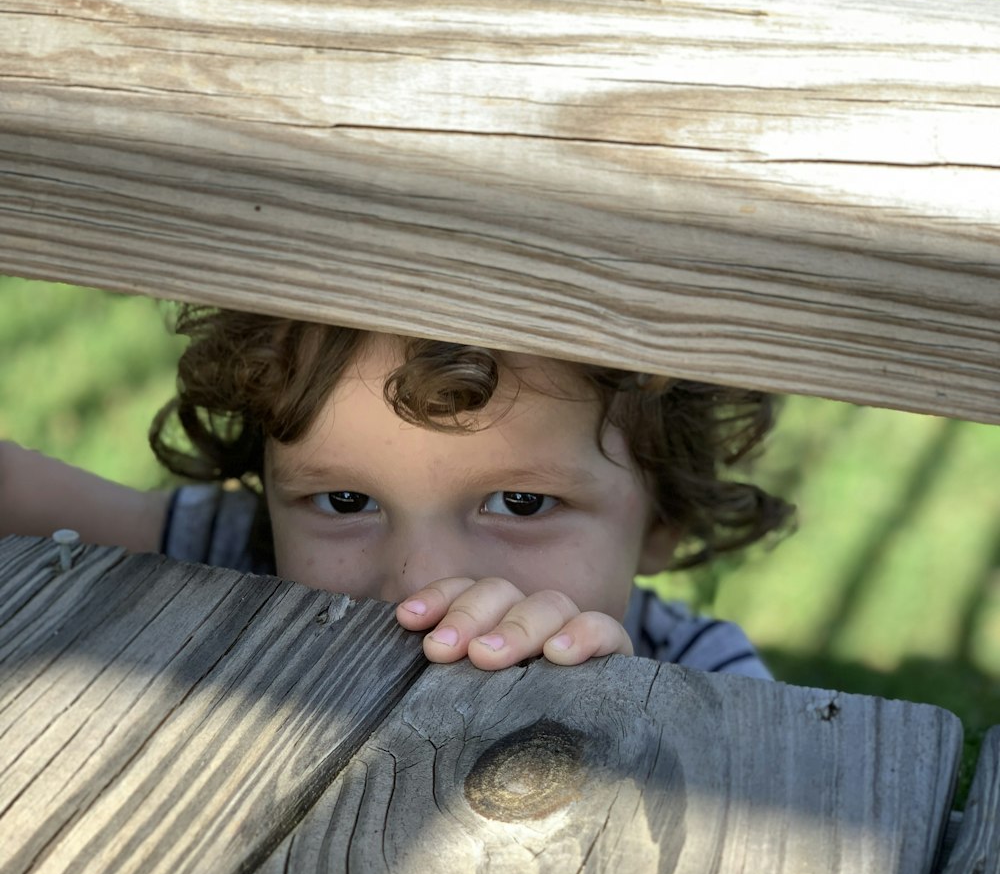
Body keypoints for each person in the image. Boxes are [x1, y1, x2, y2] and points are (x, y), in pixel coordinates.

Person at [0, 305, 793, 676]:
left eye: (520, 503)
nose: (418, 582)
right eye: (346, 502)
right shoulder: (244, 559)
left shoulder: (705, 675)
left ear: (664, 520)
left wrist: (627, 716)